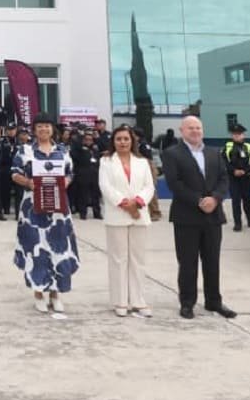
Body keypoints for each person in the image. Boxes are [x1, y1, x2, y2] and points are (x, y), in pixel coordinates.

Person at [162, 115, 235, 320]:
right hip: (187, 216)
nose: (195, 131)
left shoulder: (214, 153)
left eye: (198, 128)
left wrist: (216, 199)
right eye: (191, 128)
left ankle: (214, 301)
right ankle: (187, 303)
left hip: (213, 216)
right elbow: (175, 184)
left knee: (212, 261)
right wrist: (199, 200)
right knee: (188, 262)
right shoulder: (172, 154)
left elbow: (223, 179)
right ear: (182, 131)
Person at [11, 112, 80, 313]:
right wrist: (28, 182)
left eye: (47, 126)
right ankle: (39, 292)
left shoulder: (62, 151)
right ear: (34, 129)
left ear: (53, 129)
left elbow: (70, 173)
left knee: (59, 248)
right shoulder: (25, 151)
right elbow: (14, 173)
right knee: (36, 248)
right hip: (33, 208)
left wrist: (65, 182)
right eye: (39, 126)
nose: (43, 129)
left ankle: (56, 294)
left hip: (58, 208)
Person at [100, 125, 155, 317]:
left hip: (139, 215)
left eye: (126, 139)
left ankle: (138, 300)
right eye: (119, 139)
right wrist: (125, 204)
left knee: (138, 260)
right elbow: (105, 187)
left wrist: (138, 202)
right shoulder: (106, 161)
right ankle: (120, 301)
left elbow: (149, 187)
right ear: (113, 142)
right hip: (117, 215)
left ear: (132, 141)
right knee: (118, 259)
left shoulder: (142, 162)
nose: (123, 142)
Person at [222, 123, 250, 231]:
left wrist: (244, 171)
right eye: (235, 134)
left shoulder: (249, 147)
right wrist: (234, 171)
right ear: (232, 135)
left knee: (247, 199)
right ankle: (238, 223)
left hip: (247, 177)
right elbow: (223, 161)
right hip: (233, 177)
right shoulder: (227, 147)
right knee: (235, 200)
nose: (237, 136)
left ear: (243, 135)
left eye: (239, 134)